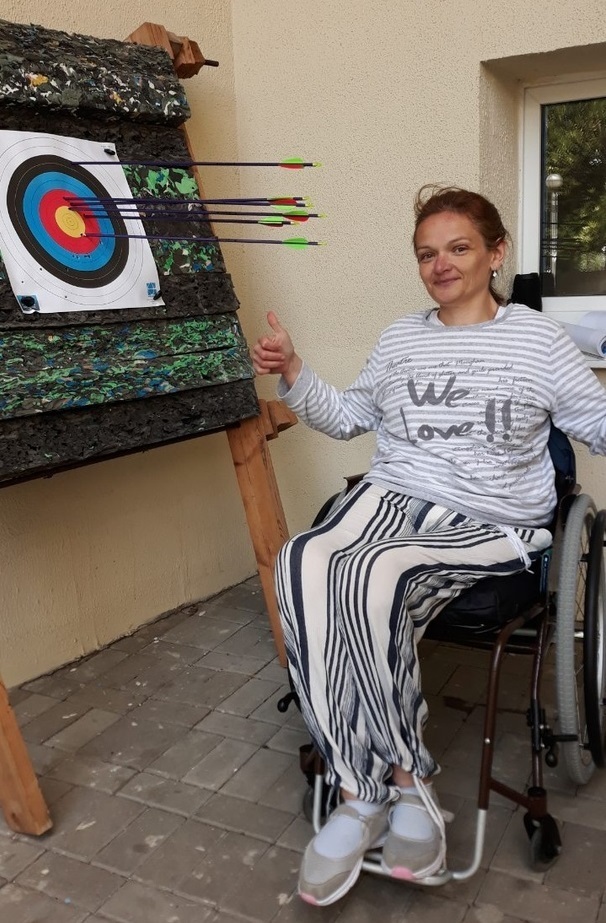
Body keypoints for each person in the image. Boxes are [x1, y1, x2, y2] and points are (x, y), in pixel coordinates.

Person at [252, 185, 606, 907]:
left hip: (487, 517)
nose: (440, 264)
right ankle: (360, 791)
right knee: (300, 561)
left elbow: (598, 421)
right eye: (426, 253)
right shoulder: (401, 337)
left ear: (495, 253)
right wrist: (293, 370)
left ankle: (405, 785)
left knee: (370, 574)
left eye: (458, 248)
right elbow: (348, 417)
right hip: (390, 497)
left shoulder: (538, 341)